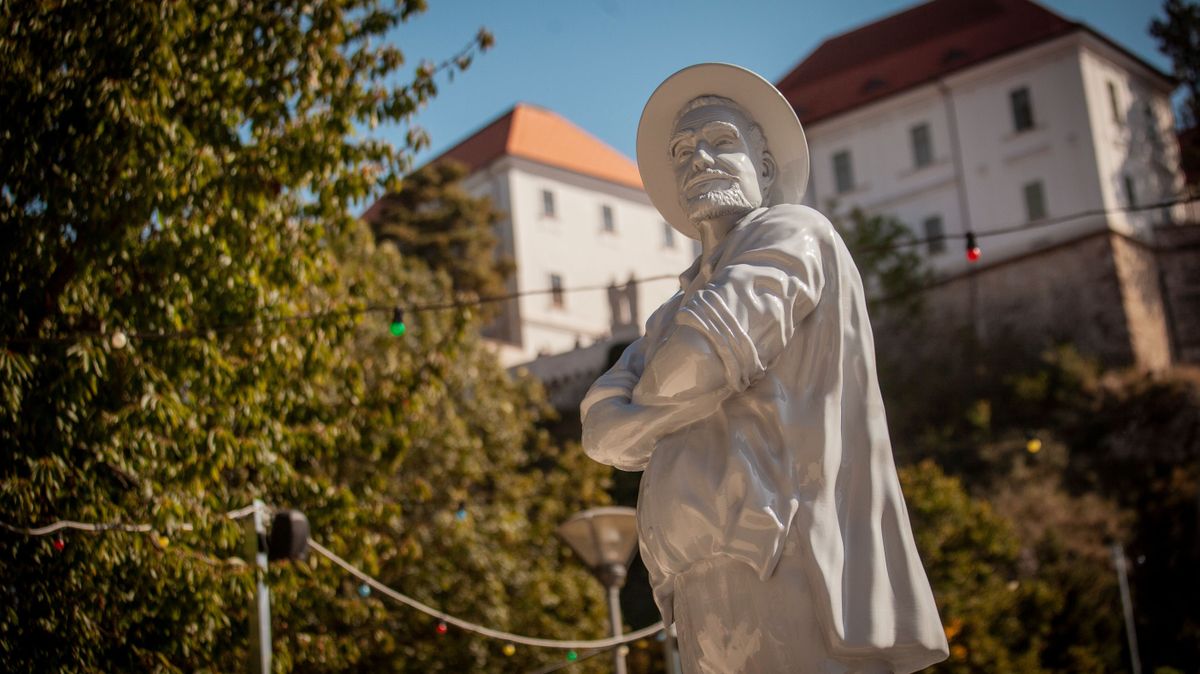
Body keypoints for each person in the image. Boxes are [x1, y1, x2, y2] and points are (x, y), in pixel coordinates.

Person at [580, 63, 949, 673]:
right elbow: (599, 431)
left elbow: (694, 364)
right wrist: (680, 390)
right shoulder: (673, 309)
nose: (698, 158)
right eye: (683, 150)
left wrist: (651, 403)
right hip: (694, 579)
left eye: (720, 141)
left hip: (784, 554)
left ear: (767, 167)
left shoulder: (795, 231)